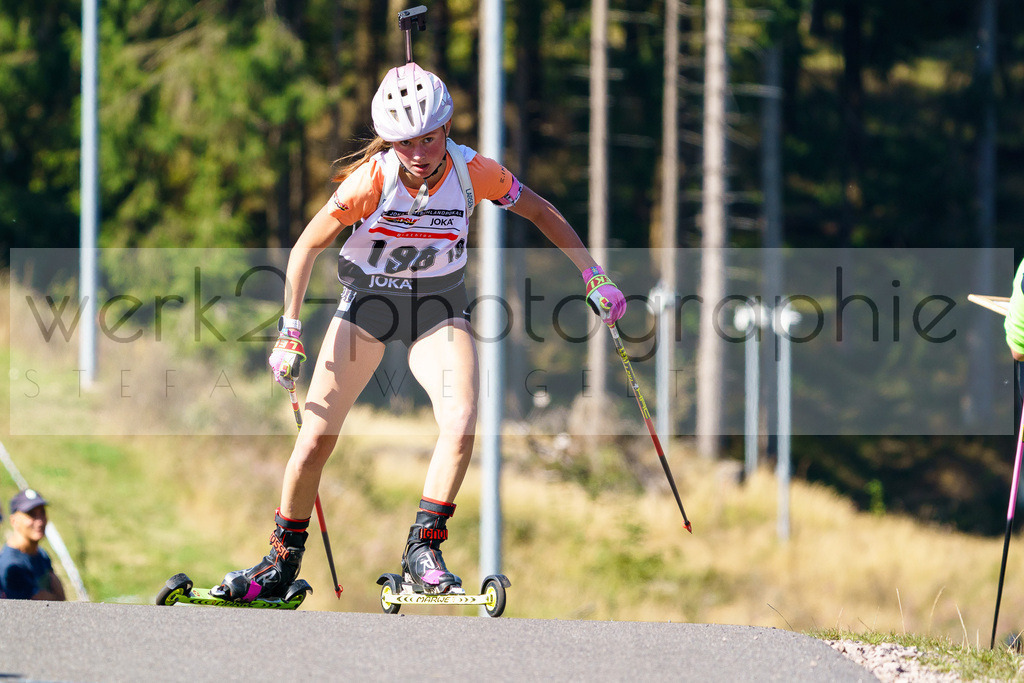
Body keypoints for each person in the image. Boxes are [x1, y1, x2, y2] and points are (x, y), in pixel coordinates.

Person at [212, 62, 626, 601]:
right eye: (405, 142)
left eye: (429, 138)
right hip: (368, 304)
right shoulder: (372, 180)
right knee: (315, 439)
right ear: (389, 140)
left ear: (446, 130)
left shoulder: (472, 170)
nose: (419, 153)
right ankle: (280, 563)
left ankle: (422, 549)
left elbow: (542, 212)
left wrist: (592, 274)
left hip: (437, 306)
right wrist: (289, 330)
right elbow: (305, 246)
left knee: (461, 419)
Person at [0, 489, 66, 601]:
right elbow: (37, 606)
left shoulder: (41, 554)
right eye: (31, 514)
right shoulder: (11, 566)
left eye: (42, 512)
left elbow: (61, 598)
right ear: (14, 521)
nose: (40, 521)